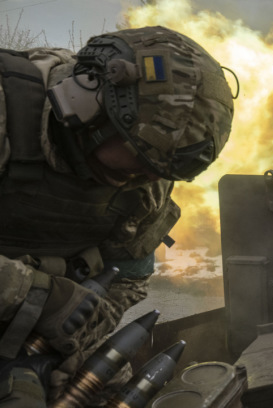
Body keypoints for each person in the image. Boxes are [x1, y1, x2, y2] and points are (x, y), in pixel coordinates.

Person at [0, 25, 234, 406]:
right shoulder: (6, 111)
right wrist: (38, 295)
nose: (150, 180)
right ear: (89, 106)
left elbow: (128, 276)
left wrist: (72, 343)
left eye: (161, 171)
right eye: (141, 160)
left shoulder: (146, 178)